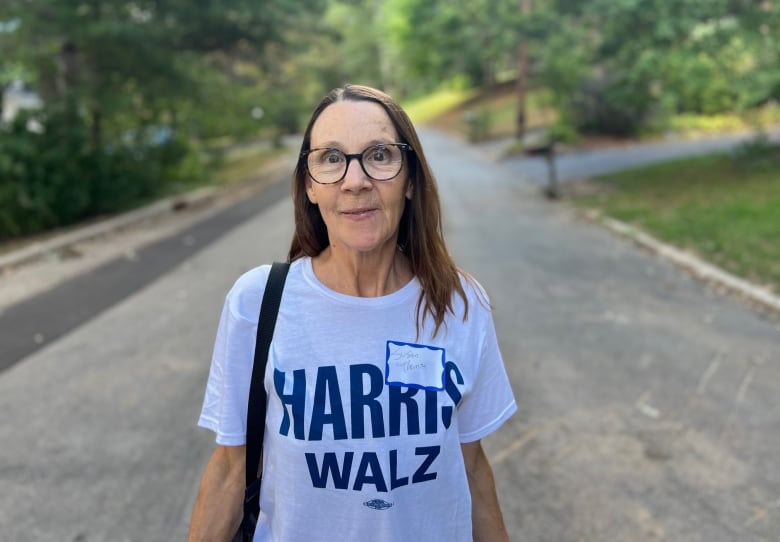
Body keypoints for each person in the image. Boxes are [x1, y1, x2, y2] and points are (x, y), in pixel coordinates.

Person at [188, 84, 516, 541]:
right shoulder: (259, 303)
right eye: (331, 158)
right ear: (309, 185)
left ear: (411, 179)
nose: (355, 180)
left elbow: (472, 466)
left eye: (380, 155)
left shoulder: (460, 303)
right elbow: (230, 467)